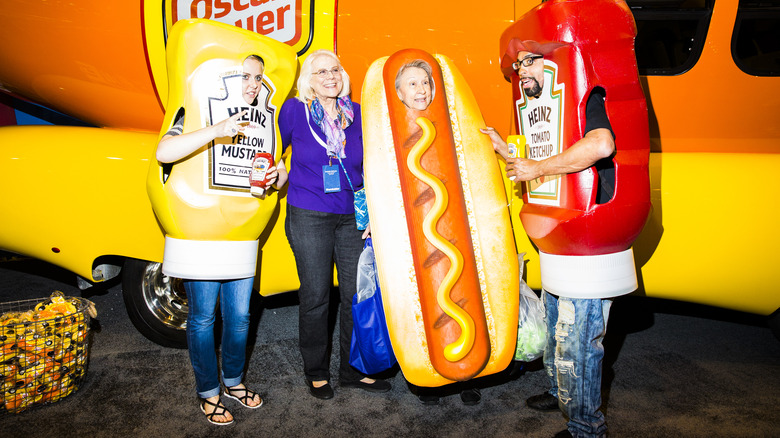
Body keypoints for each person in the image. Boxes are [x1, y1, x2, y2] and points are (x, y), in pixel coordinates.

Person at [481, 42, 616, 438]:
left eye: (529, 62)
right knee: (556, 327)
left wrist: (537, 166)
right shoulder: (547, 110)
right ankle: (563, 395)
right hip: (559, 234)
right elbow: (539, 163)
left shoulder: (589, 94)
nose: (521, 72)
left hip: (589, 237)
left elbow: (600, 145)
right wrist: (506, 150)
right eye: (517, 66)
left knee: (579, 341)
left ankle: (586, 428)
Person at [156, 54, 282, 426]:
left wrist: (279, 175)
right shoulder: (192, 110)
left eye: (257, 79)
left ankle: (233, 381)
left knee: (241, 317)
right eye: (243, 76)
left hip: (241, 234)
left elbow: (272, 170)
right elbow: (164, 151)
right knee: (202, 318)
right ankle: (208, 392)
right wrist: (216, 129)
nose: (251, 85)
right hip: (201, 233)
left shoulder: (264, 123)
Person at [277, 49, 390, 400]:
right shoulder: (295, 111)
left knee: (355, 294)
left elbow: (372, 165)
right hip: (309, 212)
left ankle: (352, 369)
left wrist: (374, 213)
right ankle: (316, 371)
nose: (330, 76)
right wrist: (274, 175)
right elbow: (275, 154)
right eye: (321, 71)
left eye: (336, 69)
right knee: (316, 295)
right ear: (308, 81)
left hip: (351, 216)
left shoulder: (357, 114)